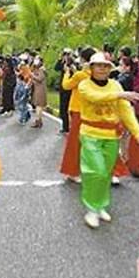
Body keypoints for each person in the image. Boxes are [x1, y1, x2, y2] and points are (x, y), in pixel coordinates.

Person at [77, 52, 139, 228]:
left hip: (111, 136)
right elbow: (95, 97)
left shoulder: (115, 85)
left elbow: (125, 112)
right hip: (90, 134)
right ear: (91, 68)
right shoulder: (84, 85)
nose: (102, 69)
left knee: (106, 174)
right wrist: (120, 95)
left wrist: (138, 134)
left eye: (106, 66)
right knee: (96, 171)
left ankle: (100, 205)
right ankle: (91, 209)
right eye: (98, 66)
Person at [60, 47, 95, 182]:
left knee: (75, 141)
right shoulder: (93, 74)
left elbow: (66, 85)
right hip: (92, 110)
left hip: (78, 110)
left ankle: (73, 172)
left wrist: (67, 73)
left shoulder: (80, 75)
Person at [54, 49, 74, 134]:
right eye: (65, 54)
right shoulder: (63, 63)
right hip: (63, 88)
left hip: (71, 89)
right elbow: (56, 68)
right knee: (63, 108)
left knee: (70, 109)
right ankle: (65, 127)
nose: (66, 56)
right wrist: (60, 59)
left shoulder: (73, 64)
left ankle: (71, 127)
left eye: (68, 54)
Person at [30, 58, 47, 128]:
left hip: (40, 90)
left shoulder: (42, 70)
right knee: (38, 106)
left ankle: (38, 121)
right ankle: (39, 120)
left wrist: (32, 75)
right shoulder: (37, 70)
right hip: (37, 89)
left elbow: (39, 79)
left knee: (39, 106)